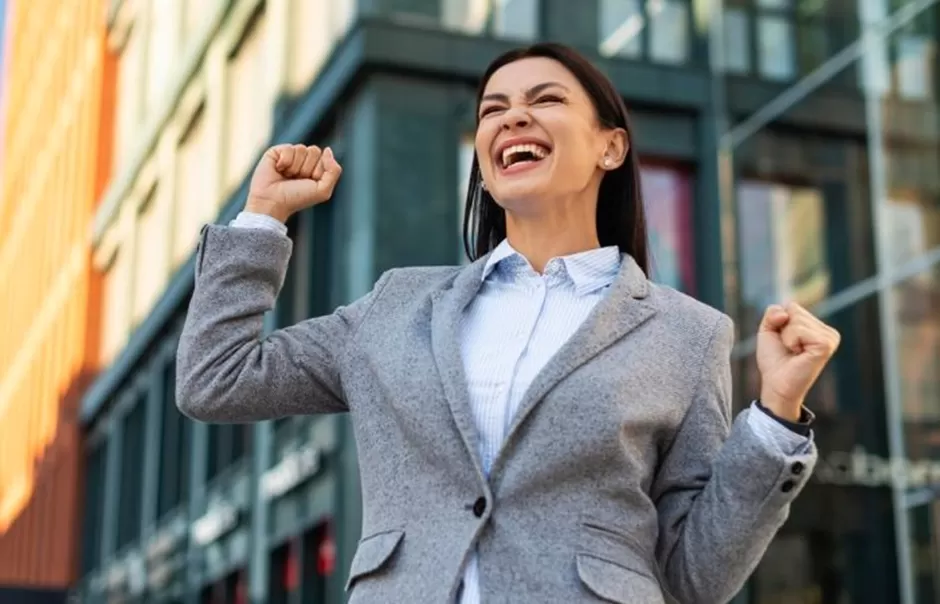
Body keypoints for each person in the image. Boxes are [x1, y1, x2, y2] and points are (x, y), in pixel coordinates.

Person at [177, 43, 840, 604]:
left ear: (611, 147)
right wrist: (262, 218)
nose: (513, 116)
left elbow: (695, 576)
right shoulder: (395, 306)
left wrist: (776, 414)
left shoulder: (686, 335)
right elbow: (216, 379)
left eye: (546, 100)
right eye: (494, 109)